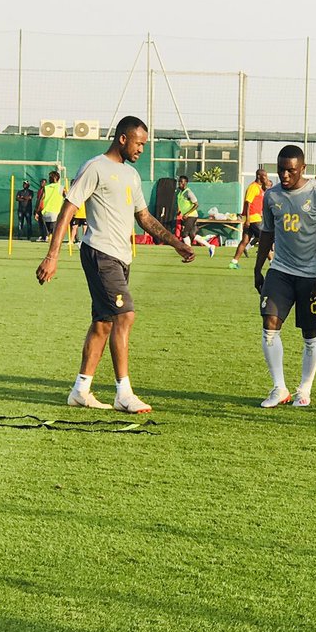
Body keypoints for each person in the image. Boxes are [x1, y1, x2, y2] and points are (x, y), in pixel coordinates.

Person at [36, 116, 194, 413]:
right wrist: (52, 255)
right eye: (139, 143)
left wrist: (177, 243)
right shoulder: (95, 167)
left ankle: (80, 390)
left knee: (104, 322)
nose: (142, 149)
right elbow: (68, 209)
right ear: (123, 138)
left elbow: (144, 218)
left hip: (121, 257)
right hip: (100, 253)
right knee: (126, 316)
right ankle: (124, 392)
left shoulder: (131, 176)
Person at [254, 145, 316, 408]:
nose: (285, 175)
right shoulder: (272, 196)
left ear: (302, 168)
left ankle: (304, 389)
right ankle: (279, 388)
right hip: (280, 270)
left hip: (311, 275)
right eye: (281, 170)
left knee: (310, 333)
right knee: (269, 324)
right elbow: (267, 232)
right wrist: (258, 268)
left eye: (291, 170)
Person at [230, 168, 271, 269]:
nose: (266, 178)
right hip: (253, 218)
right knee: (265, 240)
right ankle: (273, 263)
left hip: (253, 218)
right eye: (264, 176)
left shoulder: (259, 188)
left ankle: (233, 262)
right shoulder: (253, 187)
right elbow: (248, 203)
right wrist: (248, 219)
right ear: (259, 176)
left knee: (245, 241)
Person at [175, 174, 215, 257]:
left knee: (184, 234)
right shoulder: (180, 193)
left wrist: (187, 213)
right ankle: (210, 246)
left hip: (191, 216)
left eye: (181, 182)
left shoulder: (188, 192)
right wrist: (179, 211)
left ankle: (189, 251)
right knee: (192, 235)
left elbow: (196, 205)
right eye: (179, 182)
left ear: (186, 183)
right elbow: (182, 203)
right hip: (186, 216)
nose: (180, 184)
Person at [39, 171, 65, 243]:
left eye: (50, 177)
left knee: (50, 231)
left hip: (46, 213)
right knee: (53, 232)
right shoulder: (61, 188)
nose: (49, 179)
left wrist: (37, 211)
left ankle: (48, 237)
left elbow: (40, 200)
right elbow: (67, 198)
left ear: (54, 178)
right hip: (55, 213)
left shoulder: (46, 188)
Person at [36, 177, 49, 241]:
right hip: (39, 209)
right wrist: (36, 210)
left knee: (45, 223)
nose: (42, 184)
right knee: (40, 223)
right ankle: (41, 235)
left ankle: (46, 236)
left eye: (44, 183)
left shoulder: (47, 190)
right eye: (41, 182)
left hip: (45, 209)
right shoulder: (39, 191)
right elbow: (38, 200)